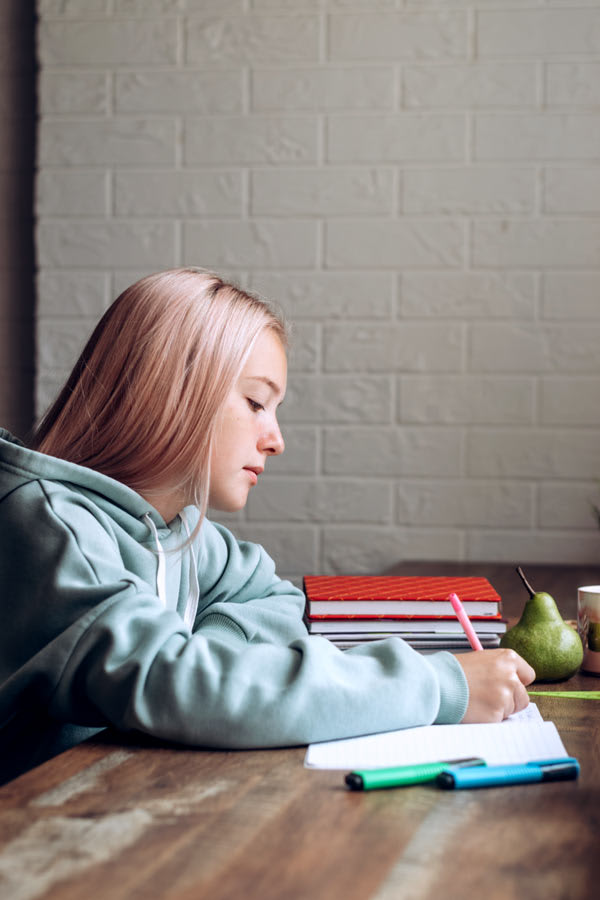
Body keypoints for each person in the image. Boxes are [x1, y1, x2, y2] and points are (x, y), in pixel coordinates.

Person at [0, 268, 535, 784]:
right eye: (256, 402)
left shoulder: (176, 527)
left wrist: (214, 652)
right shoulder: (52, 527)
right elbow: (184, 684)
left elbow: (274, 600)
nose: (275, 439)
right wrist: (440, 686)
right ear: (173, 390)